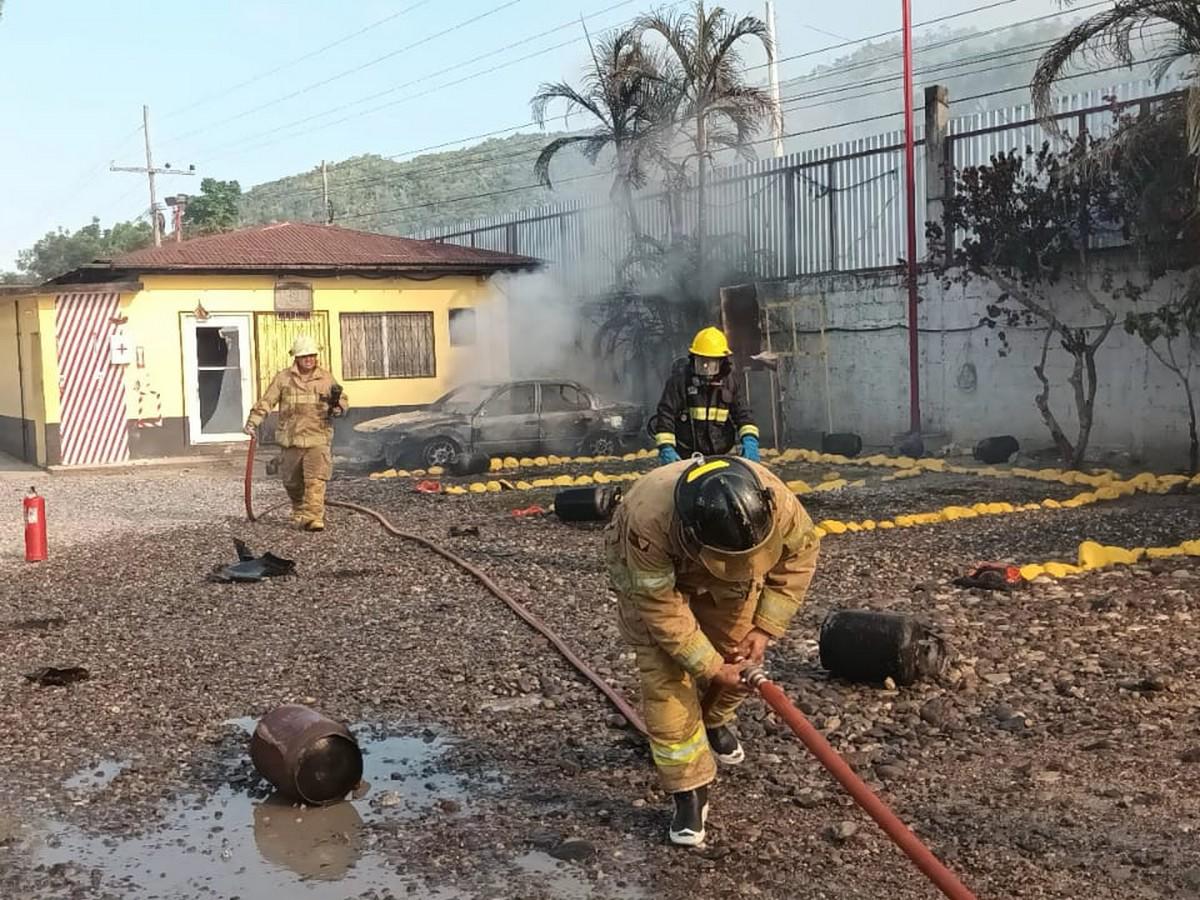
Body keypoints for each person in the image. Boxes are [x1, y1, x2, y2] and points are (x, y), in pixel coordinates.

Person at [605, 455, 820, 846]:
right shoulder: (648, 520)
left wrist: (764, 628)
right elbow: (660, 606)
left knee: (737, 657)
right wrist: (706, 666)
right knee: (665, 678)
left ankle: (715, 721)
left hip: (730, 577)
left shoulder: (778, 501)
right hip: (653, 577)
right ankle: (689, 790)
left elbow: (801, 556)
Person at [244, 335, 348, 532]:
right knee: (291, 482)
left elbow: (342, 400)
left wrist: (338, 408)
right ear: (296, 358)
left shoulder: (326, 378)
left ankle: (313, 518)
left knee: (315, 480)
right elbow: (267, 401)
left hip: (318, 437)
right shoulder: (284, 379)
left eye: (312, 355)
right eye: (304, 356)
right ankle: (299, 511)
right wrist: (253, 422)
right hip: (291, 439)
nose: (309, 359)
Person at [650, 327, 760, 466]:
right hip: (685, 458)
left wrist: (750, 441)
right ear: (693, 359)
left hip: (722, 456)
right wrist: (667, 448)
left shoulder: (730, 384)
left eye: (711, 364)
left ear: (721, 363)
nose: (706, 369)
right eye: (702, 363)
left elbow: (743, 415)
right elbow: (666, 416)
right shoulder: (679, 382)